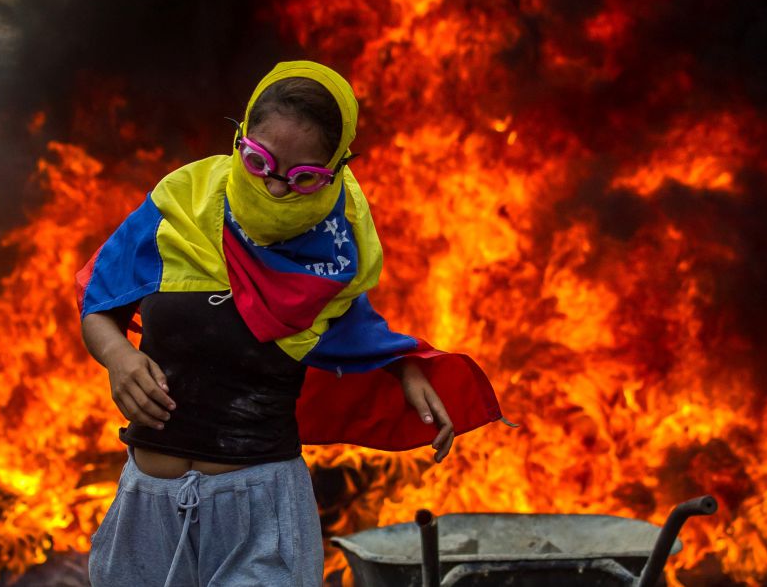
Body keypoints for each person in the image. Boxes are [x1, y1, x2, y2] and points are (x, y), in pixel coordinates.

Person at [77, 61, 502, 587]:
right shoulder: (178, 206)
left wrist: (406, 369)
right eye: (259, 163)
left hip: (261, 515)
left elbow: (359, 335)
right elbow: (100, 303)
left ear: (337, 169)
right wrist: (118, 357)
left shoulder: (333, 251)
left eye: (303, 177)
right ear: (239, 140)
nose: (276, 189)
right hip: (148, 507)